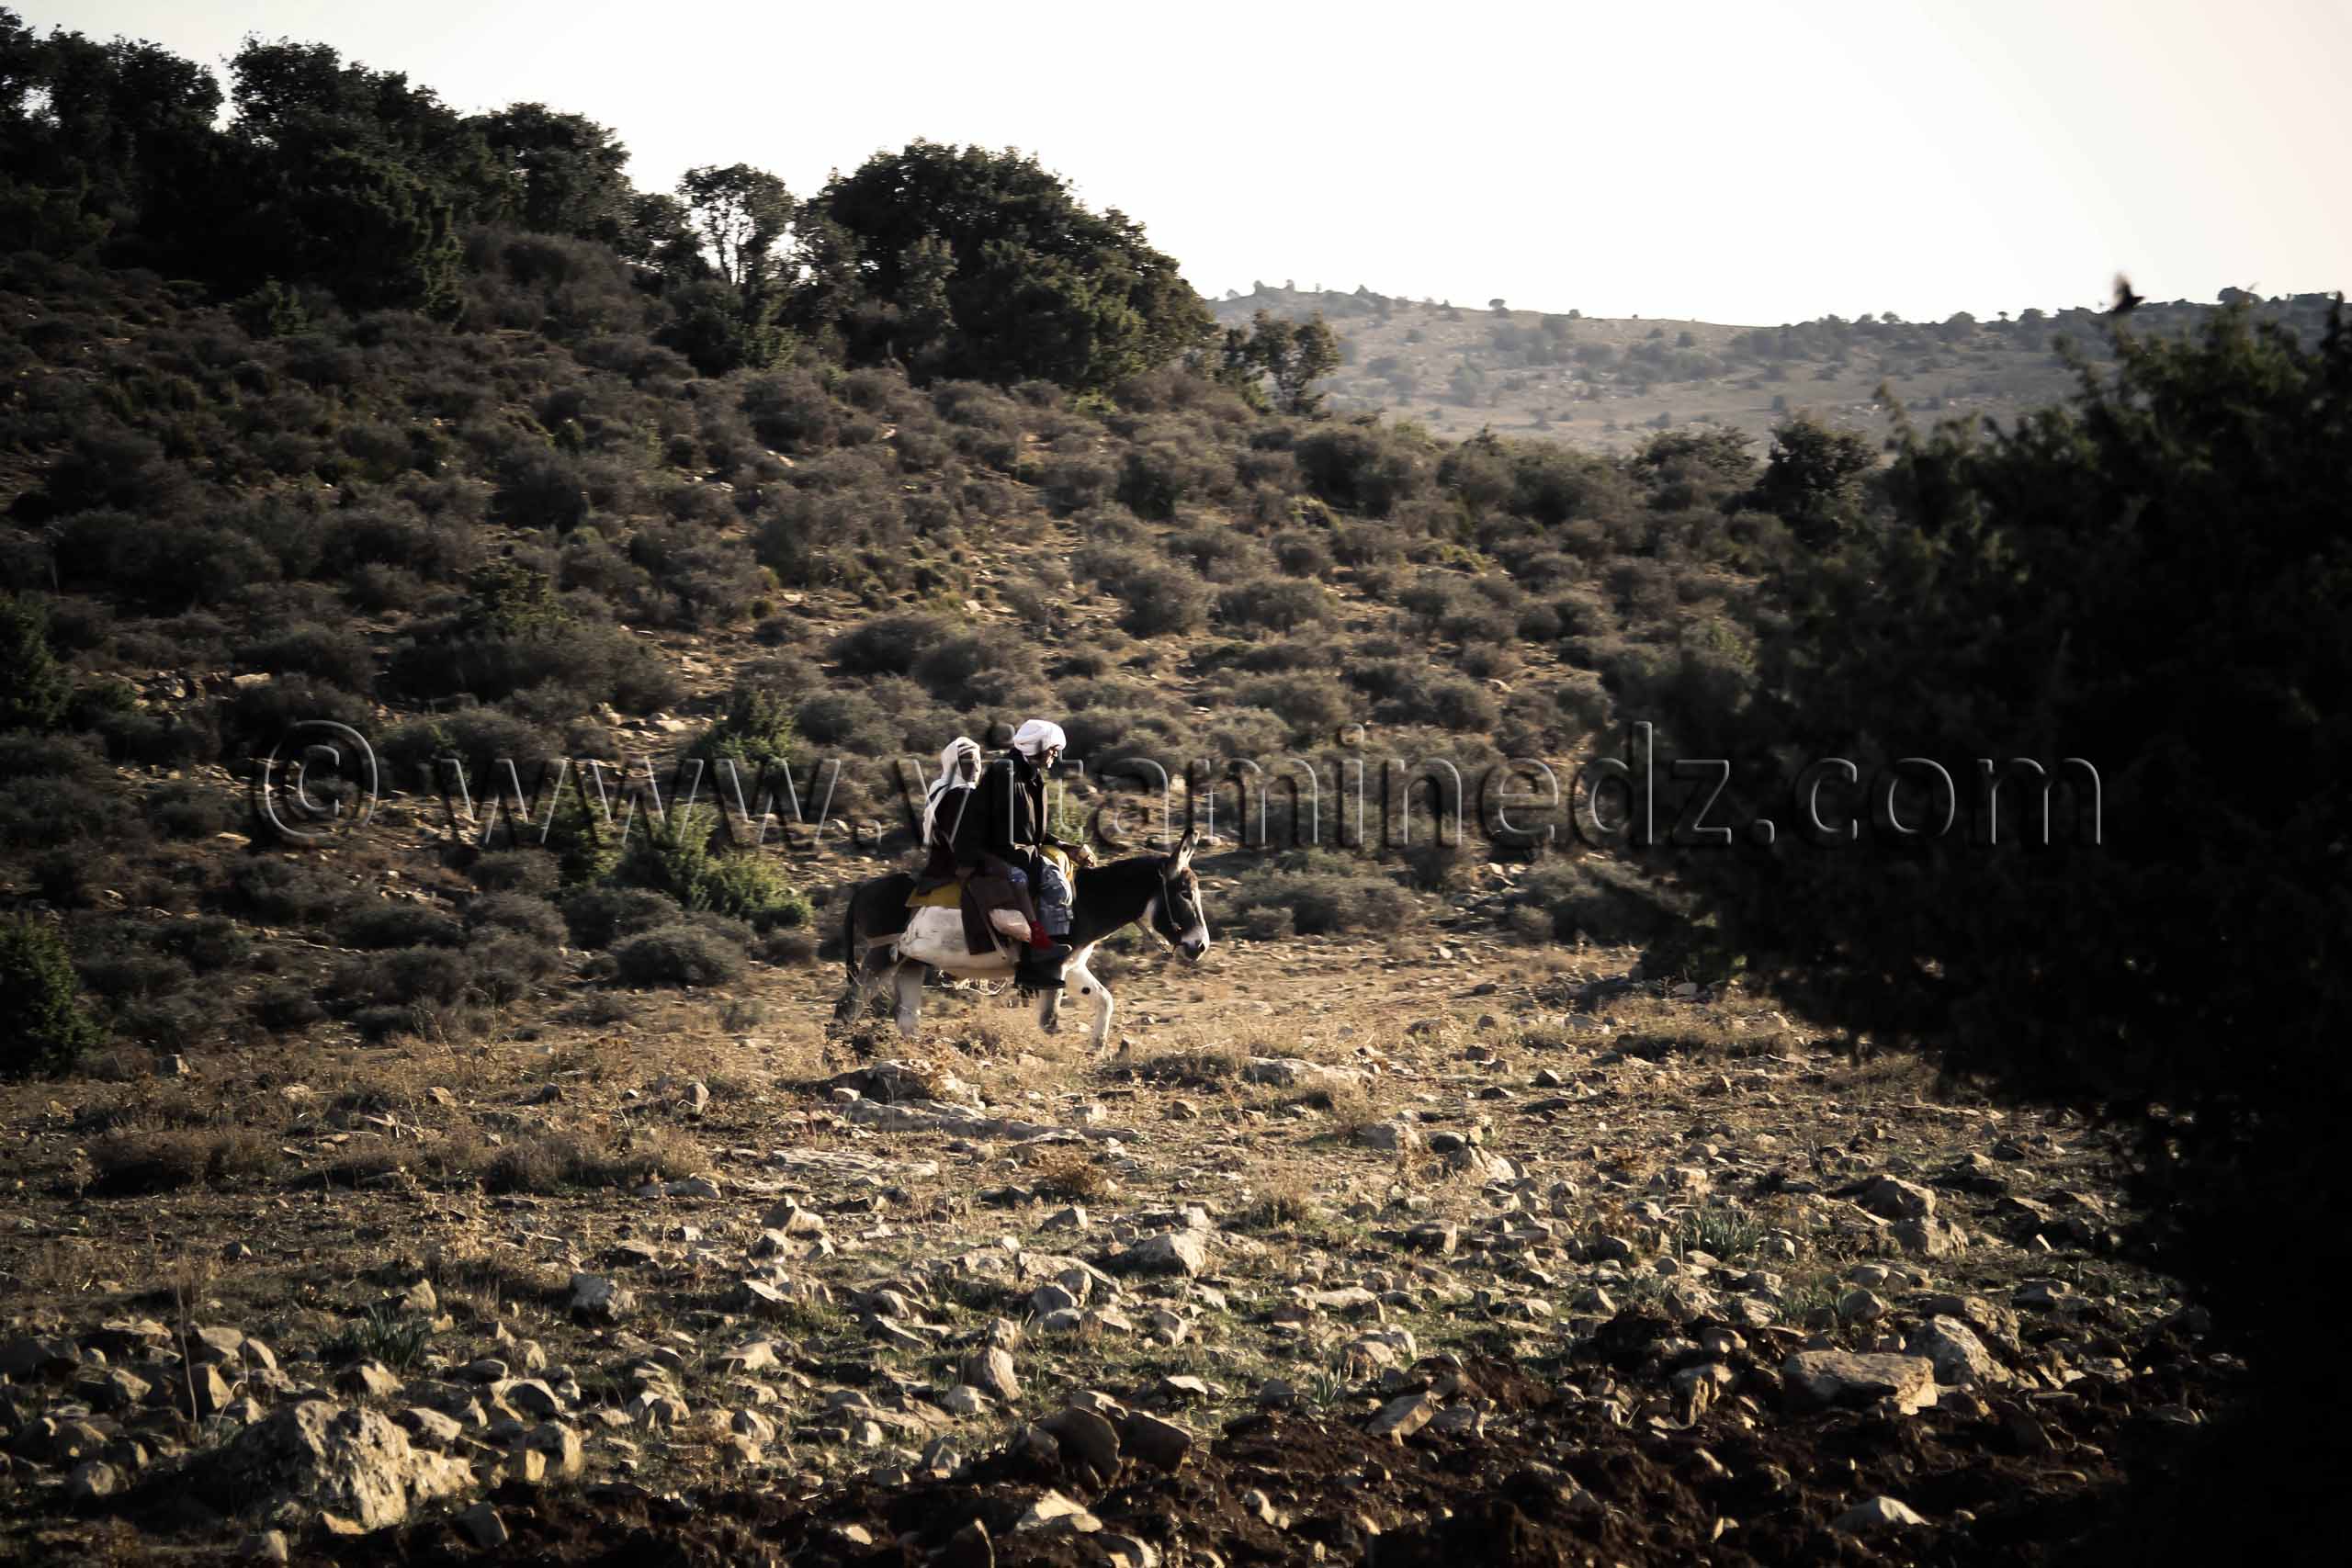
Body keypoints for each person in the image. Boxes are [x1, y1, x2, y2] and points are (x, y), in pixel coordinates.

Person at [955, 718, 1090, 987]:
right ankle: (1041, 959)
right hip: (991, 854)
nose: (1055, 755)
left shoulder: (1031, 776)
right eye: (1052, 749)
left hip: (1019, 852)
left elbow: (1032, 832)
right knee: (1055, 884)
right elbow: (991, 830)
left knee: (1057, 876)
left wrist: (1065, 846)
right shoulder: (1005, 773)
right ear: (1038, 748)